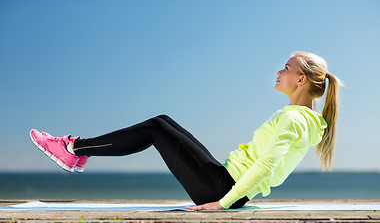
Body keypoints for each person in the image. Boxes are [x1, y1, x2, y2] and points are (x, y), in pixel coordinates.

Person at [30, 51, 342, 211]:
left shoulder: (293, 119)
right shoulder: (303, 119)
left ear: (301, 80)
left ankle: (73, 149)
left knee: (155, 129)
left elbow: (267, 166)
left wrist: (223, 203)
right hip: (224, 178)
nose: (279, 71)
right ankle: (77, 152)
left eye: (286, 68)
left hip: (223, 188)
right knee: (163, 121)